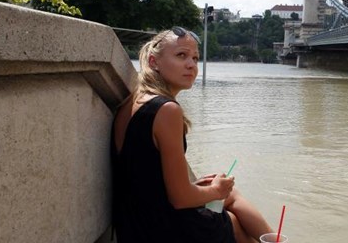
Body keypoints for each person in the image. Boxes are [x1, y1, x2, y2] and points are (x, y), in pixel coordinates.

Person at [112, 27, 274, 243]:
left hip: (132, 222)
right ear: (153, 62)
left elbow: (145, 177)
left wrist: (200, 188)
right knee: (230, 214)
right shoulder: (167, 110)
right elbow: (179, 198)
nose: (191, 65)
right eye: (181, 55)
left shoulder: (133, 101)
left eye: (195, 58)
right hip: (159, 229)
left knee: (229, 207)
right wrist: (217, 190)